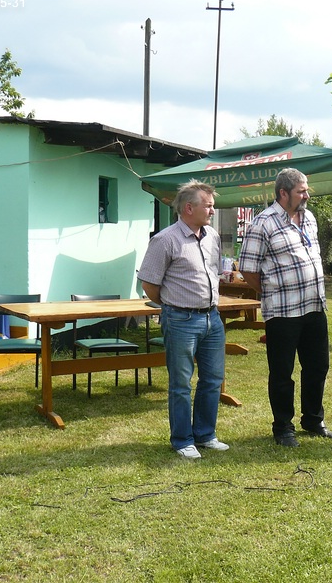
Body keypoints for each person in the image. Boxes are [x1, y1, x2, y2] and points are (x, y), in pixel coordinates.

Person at [238, 168, 332, 447]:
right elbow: (248, 268)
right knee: (282, 372)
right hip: (282, 310)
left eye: (306, 190)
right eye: (301, 191)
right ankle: (283, 427)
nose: (306, 196)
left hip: (314, 305)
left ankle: (313, 419)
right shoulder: (263, 223)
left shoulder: (309, 218)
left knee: (317, 366)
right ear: (283, 193)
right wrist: (272, 290)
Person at [137, 180, 229, 459]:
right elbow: (149, 284)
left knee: (212, 379)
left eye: (212, 205)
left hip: (212, 318)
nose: (212, 211)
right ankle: (182, 440)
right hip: (180, 319)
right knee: (181, 383)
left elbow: (213, 272)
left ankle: (205, 435)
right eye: (208, 206)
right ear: (189, 208)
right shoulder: (165, 240)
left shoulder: (212, 236)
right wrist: (173, 306)